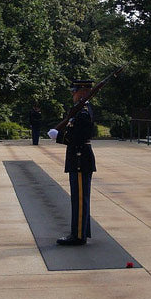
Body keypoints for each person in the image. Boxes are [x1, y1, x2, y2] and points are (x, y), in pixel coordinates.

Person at [53, 78, 96, 246]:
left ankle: (78, 235)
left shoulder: (83, 112)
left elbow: (78, 135)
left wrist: (59, 136)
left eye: (75, 90)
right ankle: (82, 230)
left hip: (79, 157)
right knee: (80, 197)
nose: (72, 93)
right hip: (79, 157)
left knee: (79, 198)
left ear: (84, 92)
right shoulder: (80, 110)